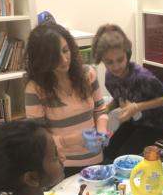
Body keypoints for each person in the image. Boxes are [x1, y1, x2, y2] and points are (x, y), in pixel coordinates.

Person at [25, 23, 109, 177]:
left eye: (66, 50)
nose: (64, 60)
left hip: (95, 158)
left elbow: (100, 110)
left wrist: (102, 131)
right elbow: (37, 139)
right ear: (43, 59)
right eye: (55, 57)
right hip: (62, 165)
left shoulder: (88, 74)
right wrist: (72, 140)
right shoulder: (35, 89)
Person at [92, 24, 163, 162]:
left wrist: (136, 107)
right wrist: (107, 109)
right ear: (102, 61)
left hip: (156, 123)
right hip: (135, 121)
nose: (115, 67)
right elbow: (119, 97)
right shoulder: (110, 77)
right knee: (107, 152)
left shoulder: (143, 77)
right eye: (109, 62)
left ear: (127, 54)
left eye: (120, 60)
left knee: (123, 157)